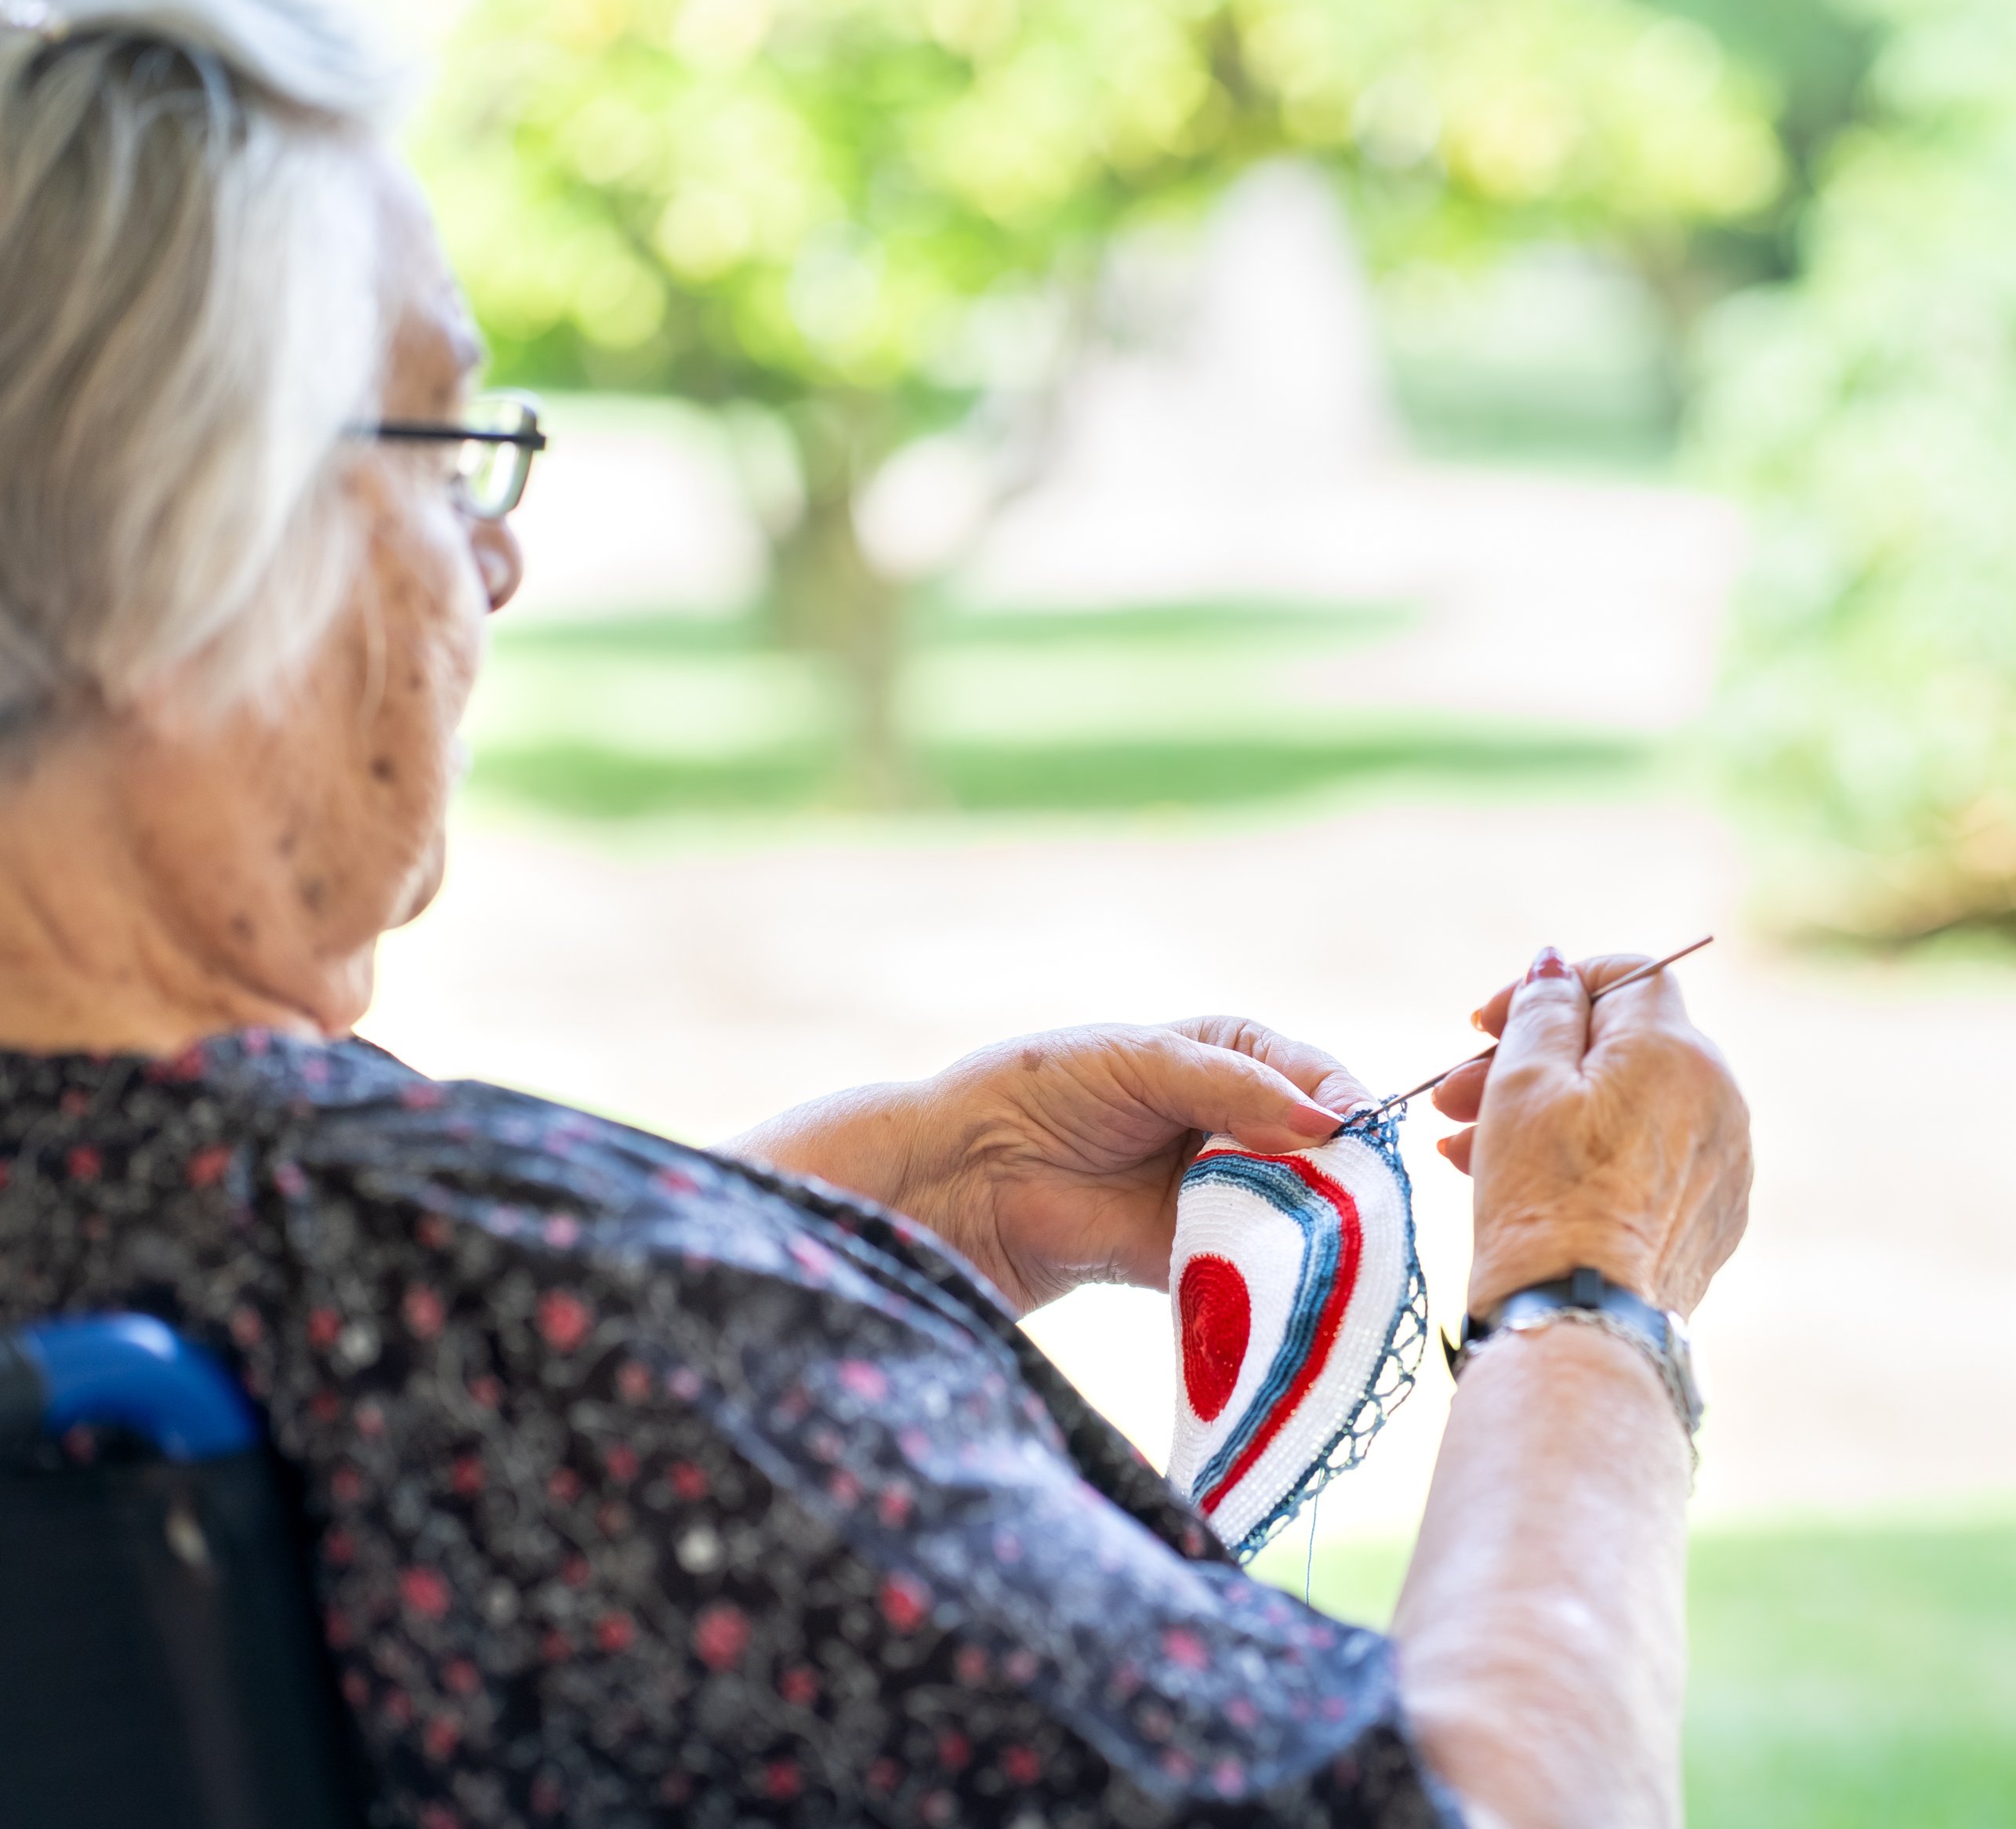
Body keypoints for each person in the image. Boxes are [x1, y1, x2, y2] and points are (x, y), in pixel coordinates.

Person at [0, 5, 1753, 1827]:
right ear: (177, 532)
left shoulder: (226, 1239)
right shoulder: (515, 1325)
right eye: (445, 455)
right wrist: (1591, 1287)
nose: (498, 561)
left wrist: (907, 1201)